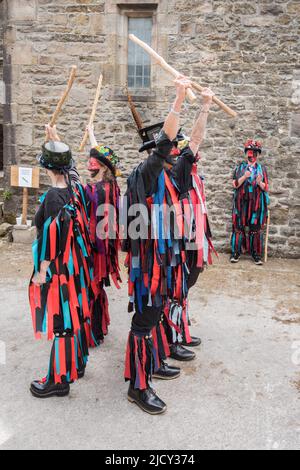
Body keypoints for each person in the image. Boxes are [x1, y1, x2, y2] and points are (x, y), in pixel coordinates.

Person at [123, 76, 192, 415]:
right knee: (145, 319)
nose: (174, 152)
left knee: (153, 316)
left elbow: (193, 150)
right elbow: (166, 141)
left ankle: (151, 365)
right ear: (158, 153)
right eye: (169, 149)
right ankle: (138, 387)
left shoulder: (167, 175)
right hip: (149, 267)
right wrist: (178, 100)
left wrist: (204, 108)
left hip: (163, 265)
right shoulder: (146, 174)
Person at [29, 125, 93, 398]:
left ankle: (58, 380)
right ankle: (75, 364)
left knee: (61, 321)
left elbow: (53, 238)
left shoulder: (55, 196)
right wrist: (55, 139)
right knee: (72, 314)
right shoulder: (75, 187)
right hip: (75, 266)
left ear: (47, 169)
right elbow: (73, 167)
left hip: (60, 268)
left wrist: (42, 270)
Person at [159, 88, 216, 363]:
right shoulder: (181, 169)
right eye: (192, 152)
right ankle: (172, 340)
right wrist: (205, 105)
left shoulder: (195, 176)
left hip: (195, 241)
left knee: (187, 285)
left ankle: (180, 329)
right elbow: (196, 137)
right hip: (179, 242)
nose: (197, 153)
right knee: (177, 289)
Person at [84, 125, 121, 347]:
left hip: (97, 249)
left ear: (103, 166)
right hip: (98, 249)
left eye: (94, 161)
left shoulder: (100, 190)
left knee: (93, 288)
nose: (90, 163)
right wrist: (91, 133)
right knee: (94, 288)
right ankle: (98, 328)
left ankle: (95, 330)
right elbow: (98, 152)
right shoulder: (108, 184)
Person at [231, 140, 269, 265]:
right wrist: (244, 176)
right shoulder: (240, 167)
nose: (251, 155)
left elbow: (266, 188)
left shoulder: (261, 169)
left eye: (254, 153)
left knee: (255, 229)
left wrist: (259, 182)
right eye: (249, 152)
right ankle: (236, 252)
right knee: (238, 227)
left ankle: (255, 254)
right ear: (246, 153)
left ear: (258, 155)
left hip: (256, 204)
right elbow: (235, 185)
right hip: (241, 203)